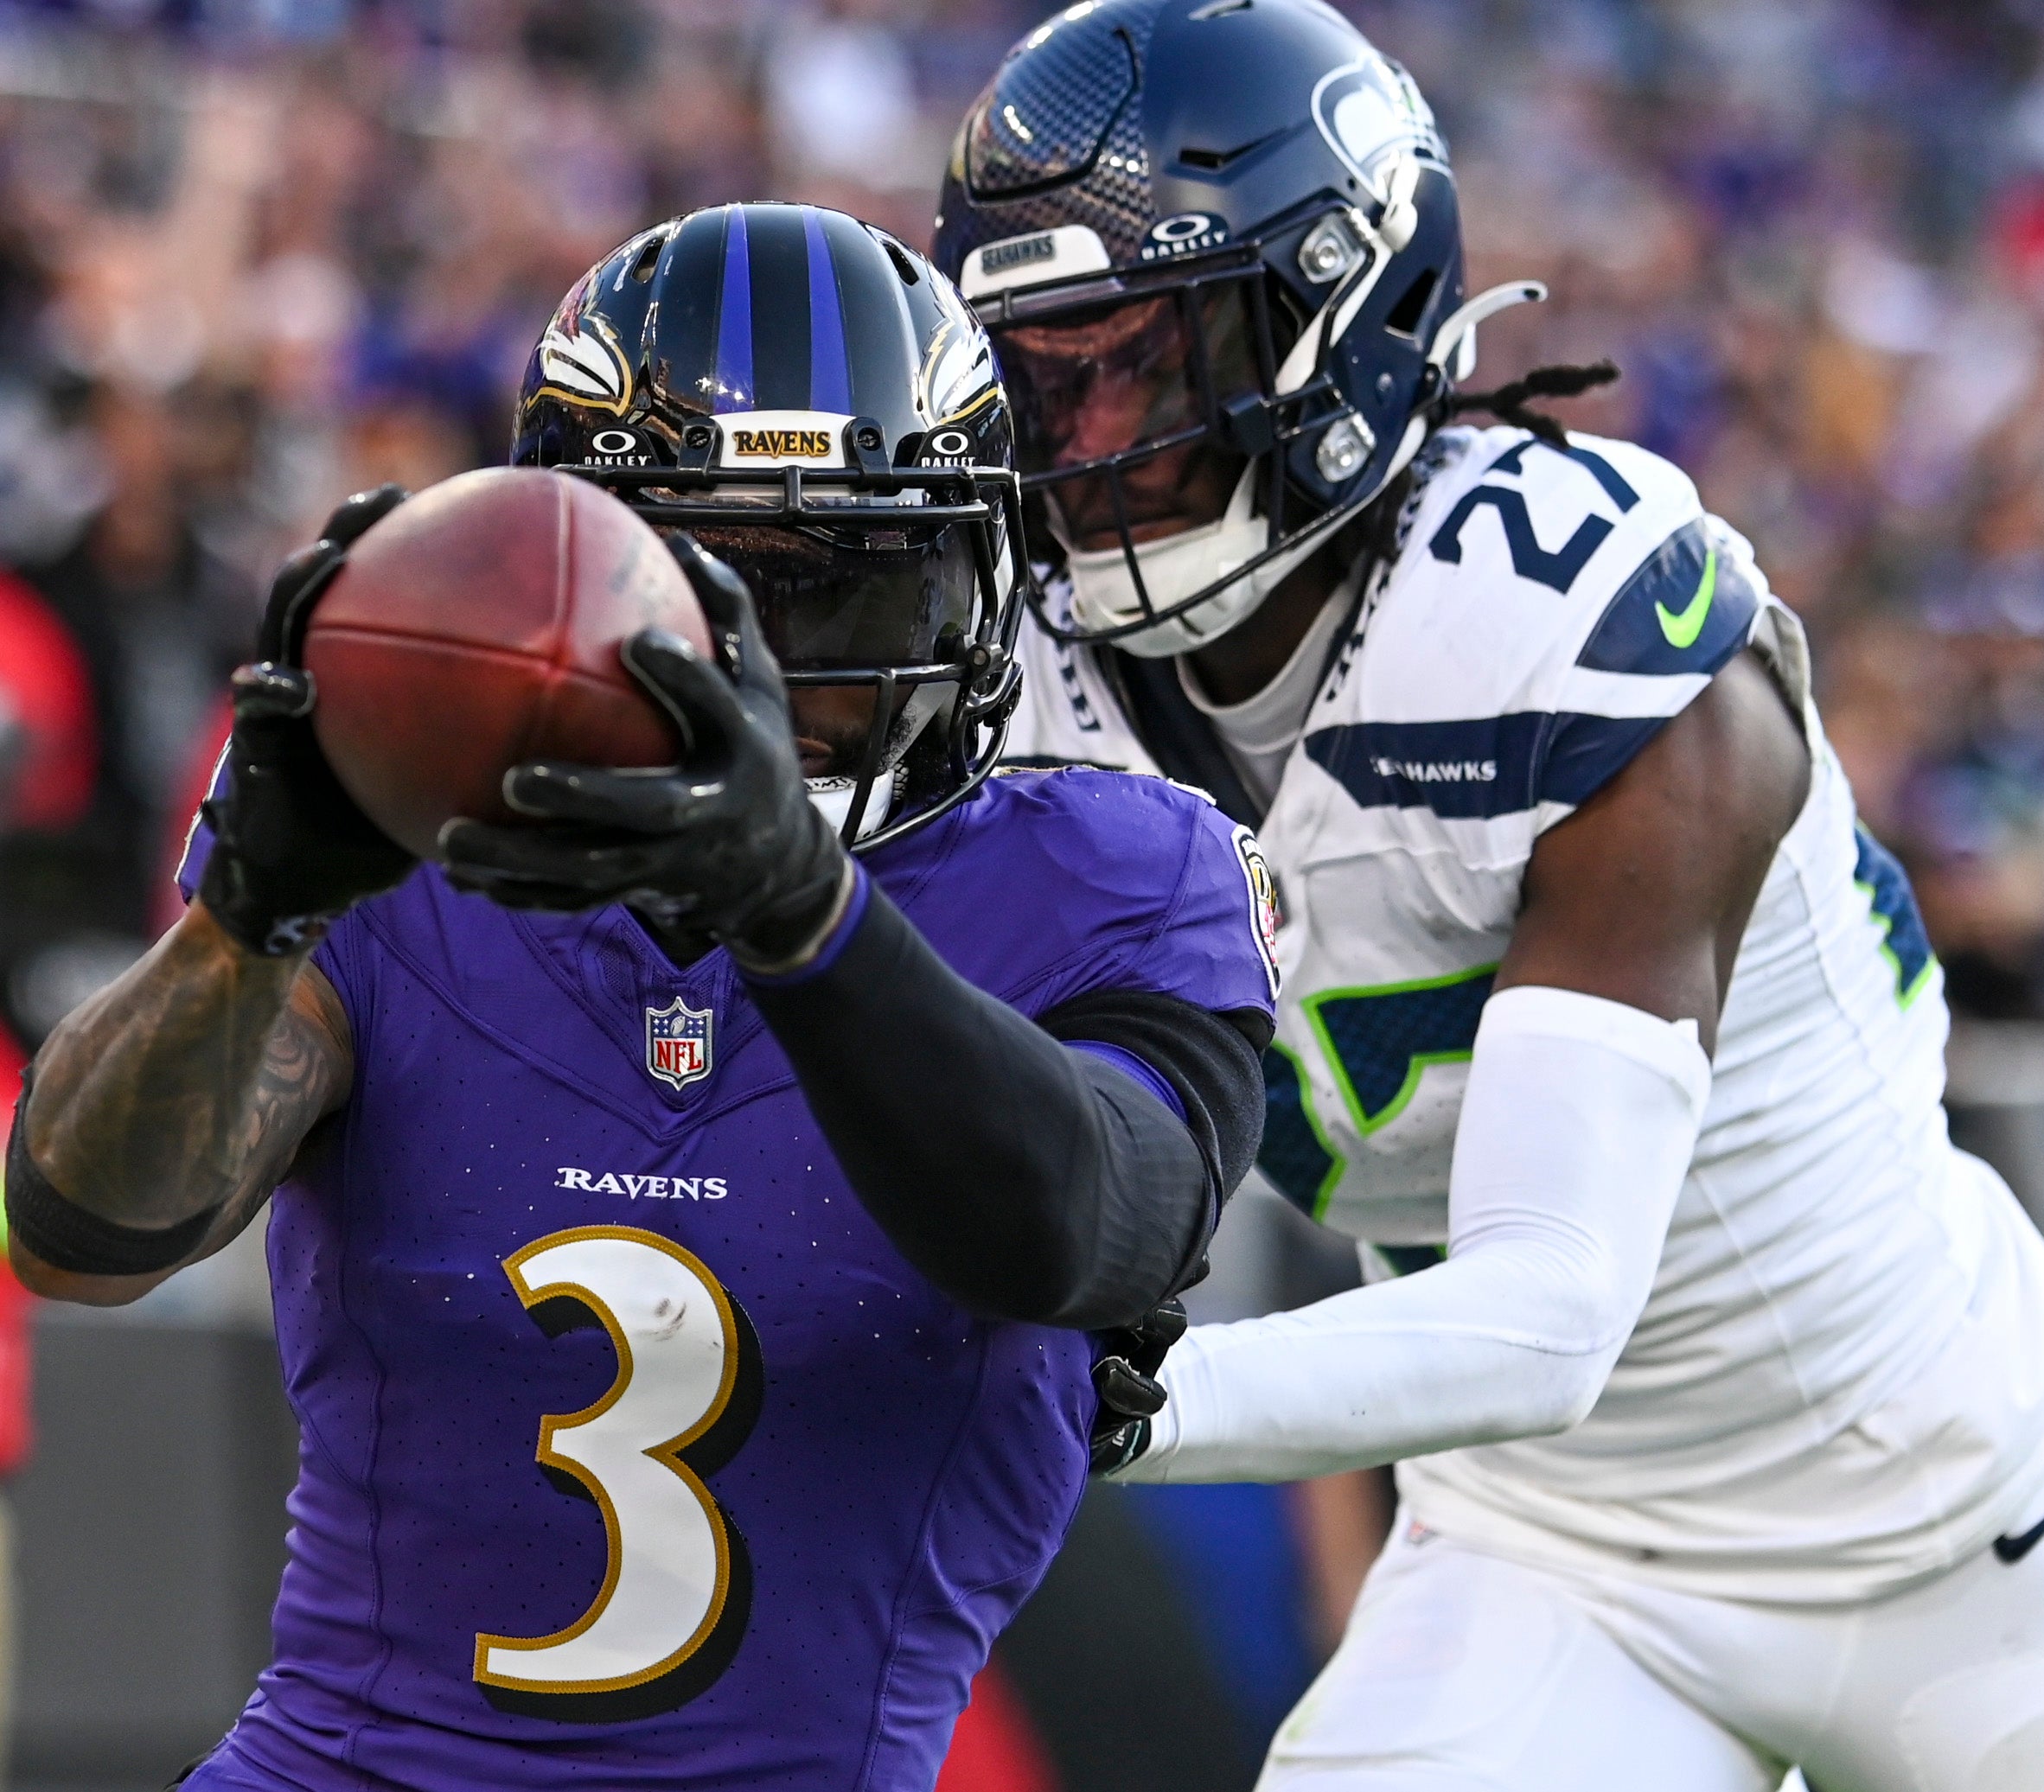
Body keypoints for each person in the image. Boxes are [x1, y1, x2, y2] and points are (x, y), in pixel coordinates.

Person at [935, 5, 2044, 1788]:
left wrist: (1096, 1388)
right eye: (1038, 369)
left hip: (1955, 1514)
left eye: (1142, 363)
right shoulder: (1016, 677)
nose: (1080, 438)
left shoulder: (1579, 631)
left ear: (1338, 310)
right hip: (1549, 1550)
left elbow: (1551, 1308)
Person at [5, 202, 1276, 1792]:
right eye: (712, 601)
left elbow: (1091, 1228)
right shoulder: (421, 845)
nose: (769, 686)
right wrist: (252, 915)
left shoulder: (1110, 874)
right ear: (568, 572)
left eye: (850, 591)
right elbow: (78, 1234)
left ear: (978, 577)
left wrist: (798, 913)